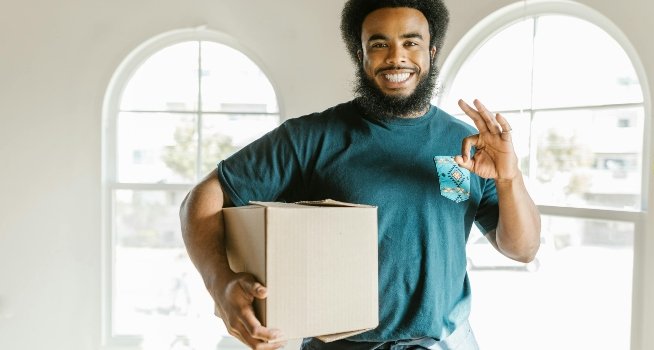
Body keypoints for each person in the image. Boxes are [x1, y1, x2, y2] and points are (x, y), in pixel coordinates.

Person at [179, 0, 541, 349]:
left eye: (411, 42)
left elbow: (522, 249)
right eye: (379, 44)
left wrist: (509, 179)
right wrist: (220, 284)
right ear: (360, 56)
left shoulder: (466, 143)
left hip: (448, 342)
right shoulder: (310, 138)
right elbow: (203, 198)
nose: (396, 56)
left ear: (430, 53)